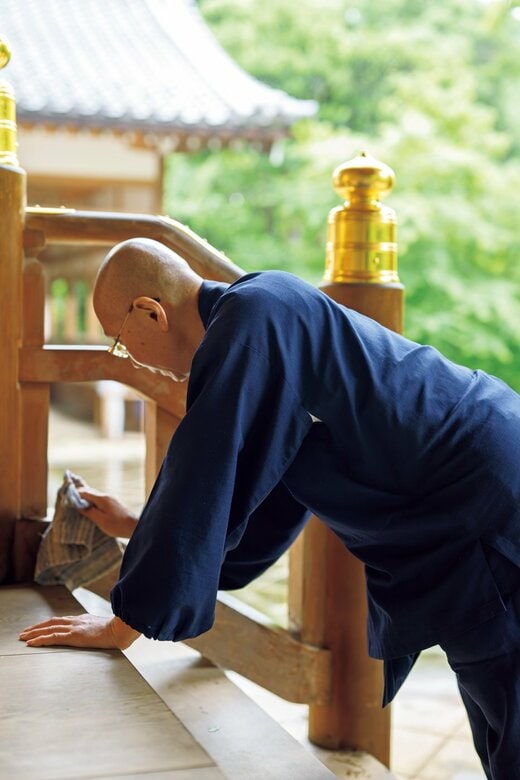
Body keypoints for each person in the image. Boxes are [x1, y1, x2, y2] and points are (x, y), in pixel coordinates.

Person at [20, 238, 520, 779]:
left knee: (508, 701)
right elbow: (258, 478)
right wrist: (136, 524)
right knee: (499, 715)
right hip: (472, 490)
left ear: (150, 312)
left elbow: (204, 463)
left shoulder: (250, 318)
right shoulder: (258, 312)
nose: (130, 357)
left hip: (482, 499)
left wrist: (125, 623)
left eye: (119, 342)